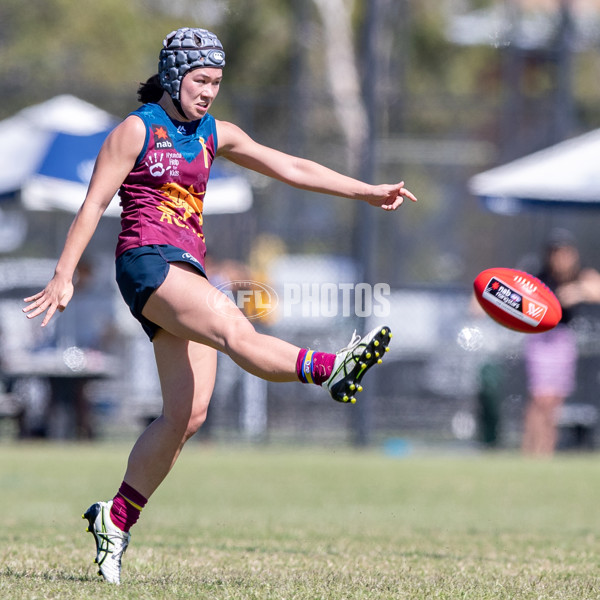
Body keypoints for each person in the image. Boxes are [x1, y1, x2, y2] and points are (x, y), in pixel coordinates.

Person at [22, 27, 417, 584]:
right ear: (174, 74)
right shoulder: (136, 129)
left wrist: (368, 191)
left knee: (189, 414)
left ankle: (116, 517)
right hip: (146, 262)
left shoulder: (215, 132)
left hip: (188, 268)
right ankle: (333, 368)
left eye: (216, 83)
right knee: (236, 328)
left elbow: (294, 168)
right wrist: (63, 275)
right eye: (200, 80)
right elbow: (93, 205)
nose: (208, 92)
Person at [522, 229, 600, 457]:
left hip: (563, 340)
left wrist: (578, 292)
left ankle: (545, 451)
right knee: (540, 398)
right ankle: (530, 451)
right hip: (541, 338)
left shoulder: (580, 277)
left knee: (553, 401)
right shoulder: (541, 277)